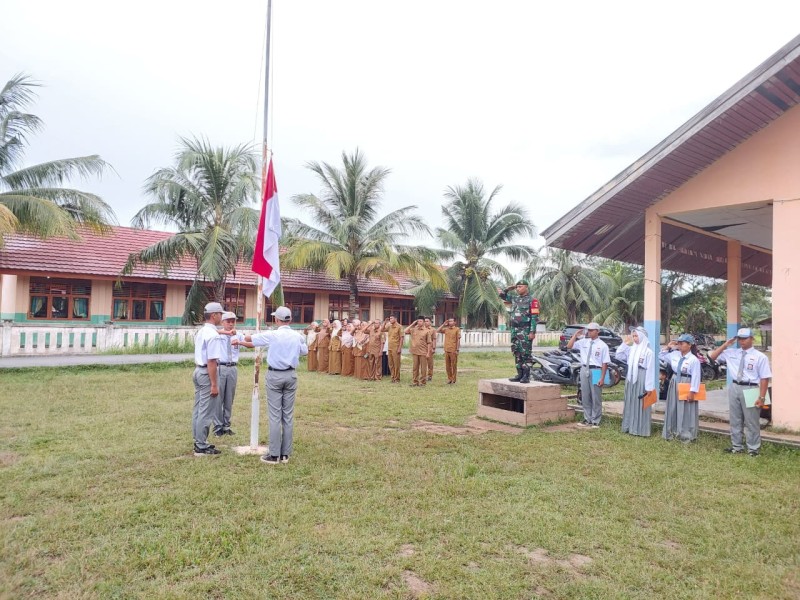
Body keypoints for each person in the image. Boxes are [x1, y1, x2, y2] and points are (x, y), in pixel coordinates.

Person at [235, 306, 308, 465]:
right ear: (290, 319)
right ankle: (285, 454)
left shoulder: (273, 335)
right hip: (291, 374)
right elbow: (304, 351)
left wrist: (238, 337)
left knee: (275, 415)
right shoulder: (297, 336)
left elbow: (251, 339)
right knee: (287, 416)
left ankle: (274, 454)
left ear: (276, 319)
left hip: (275, 375)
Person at [709, 328, 772, 456]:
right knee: (735, 419)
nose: (742, 341)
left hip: (751, 387)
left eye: (745, 338)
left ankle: (753, 449)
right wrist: (726, 345)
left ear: (752, 338)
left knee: (751, 420)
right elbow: (713, 356)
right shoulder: (732, 352)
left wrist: (762, 397)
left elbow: (765, 378)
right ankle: (737, 446)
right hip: (735, 386)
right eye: (740, 339)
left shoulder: (760, 357)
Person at [192, 302, 225, 456]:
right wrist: (214, 384)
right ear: (214, 315)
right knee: (206, 411)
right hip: (207, 373)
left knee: (198, 409)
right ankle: (201, 445)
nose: (221, 316)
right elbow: (212, 361)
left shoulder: (203, 331)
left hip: (198, 371)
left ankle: (198, 440)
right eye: (220, 314)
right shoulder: (213, 335)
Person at [659, 333, 702, 442]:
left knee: (686, 409)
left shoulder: (693, 359)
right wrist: (668, 347)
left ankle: (685, 434)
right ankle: (671, 431)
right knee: (672, 406)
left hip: (686, 382)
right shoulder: (674, 355)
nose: (679, 345)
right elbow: (661, 356)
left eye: (682, 343)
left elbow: (696, 377)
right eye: (678, 343)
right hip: (674, 381)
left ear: (690, 345)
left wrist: (692, 391)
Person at [214, 311, 250, 437]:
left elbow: (250, 344)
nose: (230, 324)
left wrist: (240, 342)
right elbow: (211, 332)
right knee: (218, 398)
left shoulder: (237, 335)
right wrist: (226, 333)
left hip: (233, 367)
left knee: (229, 398)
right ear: (222, 322)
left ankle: (226, 425)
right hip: (221, 367)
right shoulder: (218, 334)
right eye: (228, 321)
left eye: (233, 321)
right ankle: (218, 426)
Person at [567, 323, 610, 429]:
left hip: (596, 369)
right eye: (588, 330)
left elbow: (605, 363)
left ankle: (596, 420)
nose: (589, 332)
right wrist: (575, 335)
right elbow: (569, 346)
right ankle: (587, 418)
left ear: (597, 331)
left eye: (591, 330)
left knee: (596, 396)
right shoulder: (584, 342)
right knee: (585, 395)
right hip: (584, 368)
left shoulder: (603, 345)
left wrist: (602, 377)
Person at [614, 326, 655, 436]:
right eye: (633, 336)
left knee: (640, 403)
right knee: (630, 401)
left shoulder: (648, 352)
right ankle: (629, 426)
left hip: (641, 377)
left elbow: (650, 370)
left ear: (642, 337)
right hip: (631, 377)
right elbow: (618, 355)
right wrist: (624, 344)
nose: (635, 338)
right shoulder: (632, 349)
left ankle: (640, 429)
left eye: (636, 336)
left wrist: (649, 387)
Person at [498, 280, 540, 383]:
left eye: (520, 286)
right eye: (517, 287)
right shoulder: (514, 299)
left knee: (526, 353)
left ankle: (526, 375)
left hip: (525, 330)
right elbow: (502, 295)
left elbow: (534, 317)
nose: (518, 289)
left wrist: (532, 332)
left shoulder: (532, 300)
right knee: (516, 352)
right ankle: (519, 374)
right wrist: (508, 288)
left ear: (526, 287)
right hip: (514, 330)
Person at [405, 317, 433, 386]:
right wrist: (413, 324)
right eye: (418, 321)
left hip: (423, 352)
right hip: (415, 351)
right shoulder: (414, 330)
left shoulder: (426, 331)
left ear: (423, 322)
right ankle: (415, 382)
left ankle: (423, 382)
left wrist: (428, 353)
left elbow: (429, 343)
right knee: (415, 368)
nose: (419, 322)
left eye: (420, 321)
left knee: (423, 368)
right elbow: (405, 331)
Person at [437, 318, 461, 384]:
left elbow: (458, 340)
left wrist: (457, 349)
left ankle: (453, 379)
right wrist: (443, 324)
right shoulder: (446, 329)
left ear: (454, 322)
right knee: (447, 366)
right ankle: (449, 378)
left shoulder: (457, 329)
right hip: (446, 350)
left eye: (451, 321)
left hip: (453, 350)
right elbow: (437, 330)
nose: (450, 322)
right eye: (449, 321)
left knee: (453, 365)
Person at [383, 315, 404, 383]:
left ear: (395, 319)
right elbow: (382, 330)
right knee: (391, 363)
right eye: (390, 319)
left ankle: (397, 378)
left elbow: (401, 338)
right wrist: (385, 323)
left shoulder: (399, 327)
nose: (390, 320)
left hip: (396, 347)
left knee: (396, 364)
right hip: (390, 347)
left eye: (391, 318)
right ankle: (393, 377)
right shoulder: (389, 326)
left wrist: (399, 348)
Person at [424, 317, 436, 381]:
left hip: (429, 348)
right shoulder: (422, 329)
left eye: (427, 321)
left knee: (430, 363)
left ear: (430, 322)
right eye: (425, 321)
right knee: (423, 363)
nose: (425, 322)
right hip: (422, 348)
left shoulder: (432, 330)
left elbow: (434, 339)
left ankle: (429, 376)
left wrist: (434, 348)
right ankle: (423, 375)